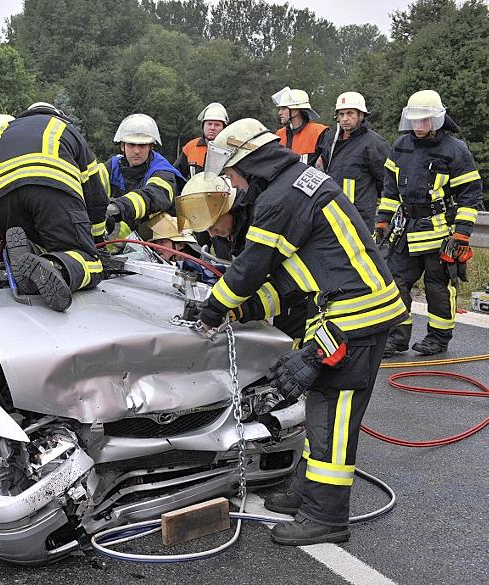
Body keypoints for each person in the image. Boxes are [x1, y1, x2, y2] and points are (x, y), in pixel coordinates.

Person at [193, 118, 407, 545]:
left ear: (249, 166)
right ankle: (310, 493)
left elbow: (250, 266)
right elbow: (292, 280)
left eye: (233, 176)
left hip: (355, 318)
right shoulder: (297, 183)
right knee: (320, 410)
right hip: (348, 312)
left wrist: (213, 310)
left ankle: (325, 518)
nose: (234, 185)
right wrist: (250, 309)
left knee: (333, 417)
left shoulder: (279, 198)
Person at [377, 90, 482, 357]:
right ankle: (396, 337)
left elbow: (470, 196)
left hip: (439, 232)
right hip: (405, 230)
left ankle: (438, 338)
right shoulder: (401, 145)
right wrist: (382, 221)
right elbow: (390, 191)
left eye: (424, 120)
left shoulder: (455, 150)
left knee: (437, 287)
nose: (419, 126)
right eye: (414, 120)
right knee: (395, 282)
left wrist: (461, 234)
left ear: (436, 120)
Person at [0, 102, 109, 312]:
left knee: (35, 243)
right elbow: (95, 196)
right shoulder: (64, 128)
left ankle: (29, 252)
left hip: (0, 198)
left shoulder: (2, 133)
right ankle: (56, 267)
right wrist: (94, 240)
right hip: (49, 187)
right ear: (59, 115)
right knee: (90, 263)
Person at [320, 92, 390, 230]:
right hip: (334, 212)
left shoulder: (374, 143)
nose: (345, 118)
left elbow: (387, 182)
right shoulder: (331, 141)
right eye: (341, 114)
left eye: (350, 113)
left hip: (361, 216)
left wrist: (383, 216)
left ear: (361, 115)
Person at [104, 114, 184, 232]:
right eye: (131, 145)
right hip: (129, 236)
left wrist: (119, 207)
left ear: (151, 146)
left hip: (160, 237)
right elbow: (91, 184)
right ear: (122, 146)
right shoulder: (113, 166)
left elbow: (153, 196)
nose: (136, 151)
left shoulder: (163, 171)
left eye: (142, 145)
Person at [272, 87, 330, 166]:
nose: (279, 112)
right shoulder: (279, 134)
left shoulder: (319, 132)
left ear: (295, 110)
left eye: (283, 108)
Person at [176, 102, 229, 179]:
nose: (212, 128)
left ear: (224, 128)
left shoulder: (230, 150)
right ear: (203, 126)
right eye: (209, 124)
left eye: (217, 125)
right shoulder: (190, 147)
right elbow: (177, 175)